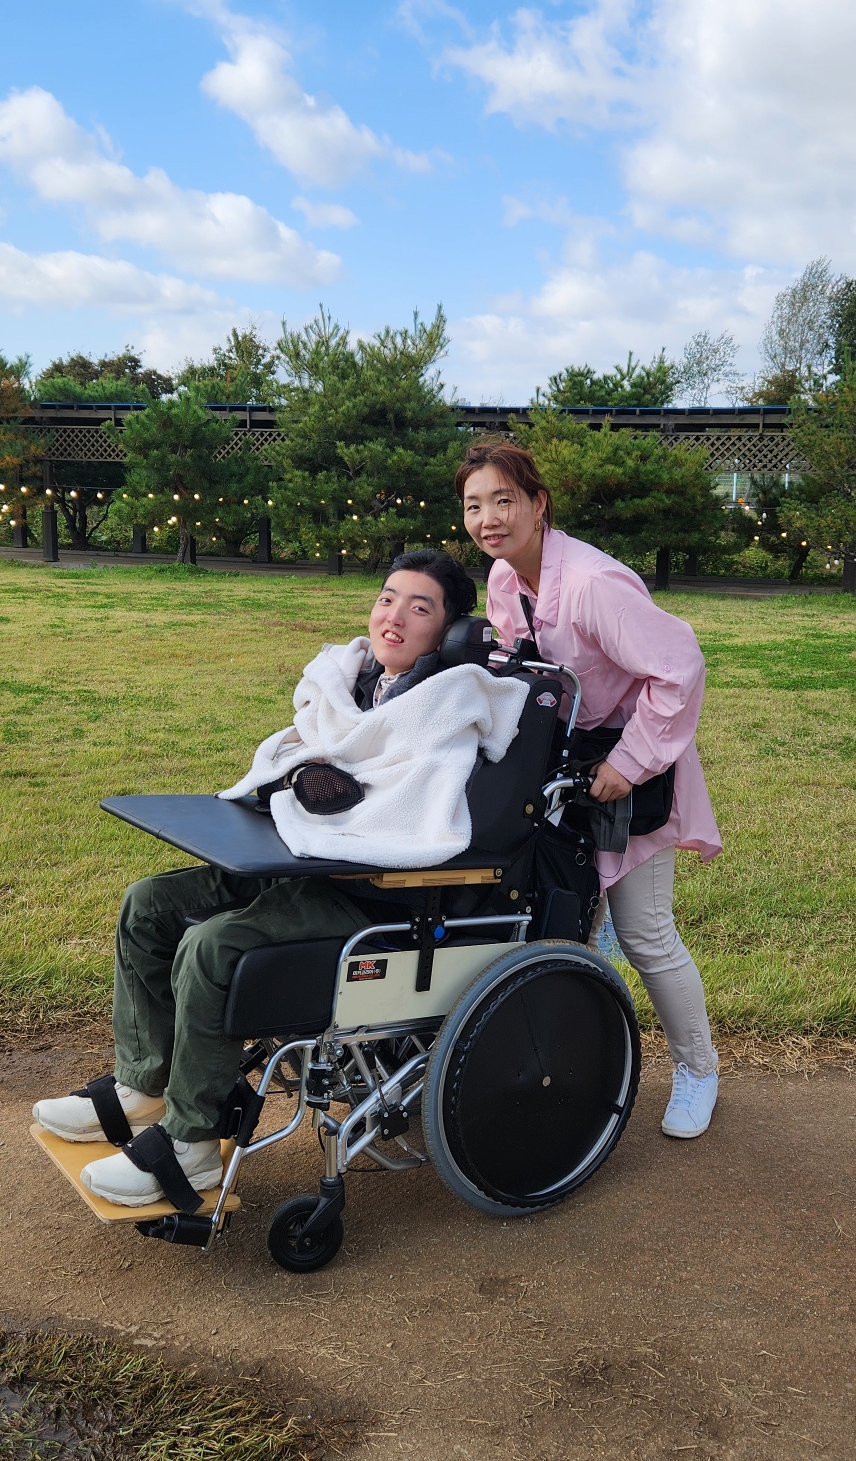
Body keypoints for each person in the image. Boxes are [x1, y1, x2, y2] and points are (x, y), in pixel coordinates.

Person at [33, 550, 518, 1207]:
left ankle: (191, 1145)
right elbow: (301, 758)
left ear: (447, 632)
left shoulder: (442, 706)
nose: (395, 616)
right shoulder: (351, 685)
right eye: (387, 598)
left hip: (370, 897)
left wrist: (341, 811)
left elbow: (413, 812)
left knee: (212, 945)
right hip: (303, 859)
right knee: (149, 904)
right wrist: (294, 788)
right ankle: (143, 1086)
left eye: (419, 607)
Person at [456, 441, 723, 1139]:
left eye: (504, 500)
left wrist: (629, 763)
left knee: (644, 932)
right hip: (564, 770)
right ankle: (581, 1070)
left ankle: (698, 1070)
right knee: (567, 922)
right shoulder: (505, 577)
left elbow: (679, 667)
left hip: (630, 769)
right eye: (474, 505)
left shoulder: (592, 584)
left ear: (538, 504)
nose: (488, 519)